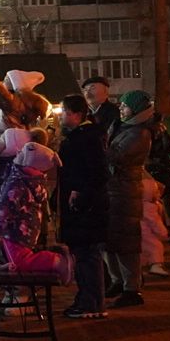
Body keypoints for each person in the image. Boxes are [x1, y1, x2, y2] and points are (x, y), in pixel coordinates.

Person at [57, 95, 111, 319]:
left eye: (63, 112)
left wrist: (79, 194)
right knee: (87, 254)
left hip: (85, 209)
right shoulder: (86, 136)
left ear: (75, 114)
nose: (60, 116)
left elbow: (96, 173)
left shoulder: (86, 138)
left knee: (87, 255)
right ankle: (92, 300)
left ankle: (89, 302)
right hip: (85, 206)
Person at [0, 130, 69, 279]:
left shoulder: (17, 182)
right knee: (19, 257)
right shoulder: (36, 182)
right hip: (28, 230)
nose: (18, 154)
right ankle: (12, 264)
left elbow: (6, 206)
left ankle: (56, 261)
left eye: (21, 154)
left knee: (23, 261)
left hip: (14, 230)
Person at [106, 89, 155, 308]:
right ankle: (118, 281)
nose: (121, 108)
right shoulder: (124, 128)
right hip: (114, 189)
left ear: (135, 109)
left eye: (124, 106)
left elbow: (117, 156)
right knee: (111, 239)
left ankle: (131, 288)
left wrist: (99, 143)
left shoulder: (139, 133)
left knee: (126, 242)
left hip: (125, 191)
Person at [147, 114, 170, 237]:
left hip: (163, 171)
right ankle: (160, 225)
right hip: (152, 170)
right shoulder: (148, 135)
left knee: (166, 200)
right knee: (155, 200)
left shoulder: (163, 136)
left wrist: (164, 133)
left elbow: (169, 146)